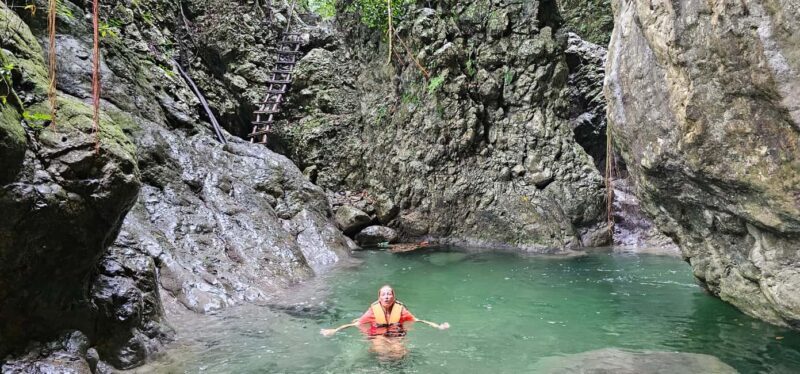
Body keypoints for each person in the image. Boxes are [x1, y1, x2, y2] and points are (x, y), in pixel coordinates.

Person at [320, 285, 450, 337]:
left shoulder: (401, 309)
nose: (387, 297)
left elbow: (418, 320)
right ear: (379, 298)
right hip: (377, 333)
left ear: (394, 296)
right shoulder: (373, 311)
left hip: (396, 331)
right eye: (384, 294)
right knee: (382, 352)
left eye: (389, 294)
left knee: (400, 353)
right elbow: (355, 324)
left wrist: (438, 326)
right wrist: (334, 330)